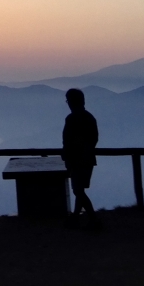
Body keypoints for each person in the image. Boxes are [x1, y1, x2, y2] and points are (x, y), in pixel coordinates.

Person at [61, 88, 99, 227]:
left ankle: (93, 218)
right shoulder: (89, 118)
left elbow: (67, 141)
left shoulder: (71, 119)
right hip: (88, 159)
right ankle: (75, 218)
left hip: (77, 160)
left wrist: (68, 157)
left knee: (77, 190)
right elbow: (94, 139)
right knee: (80, 189)